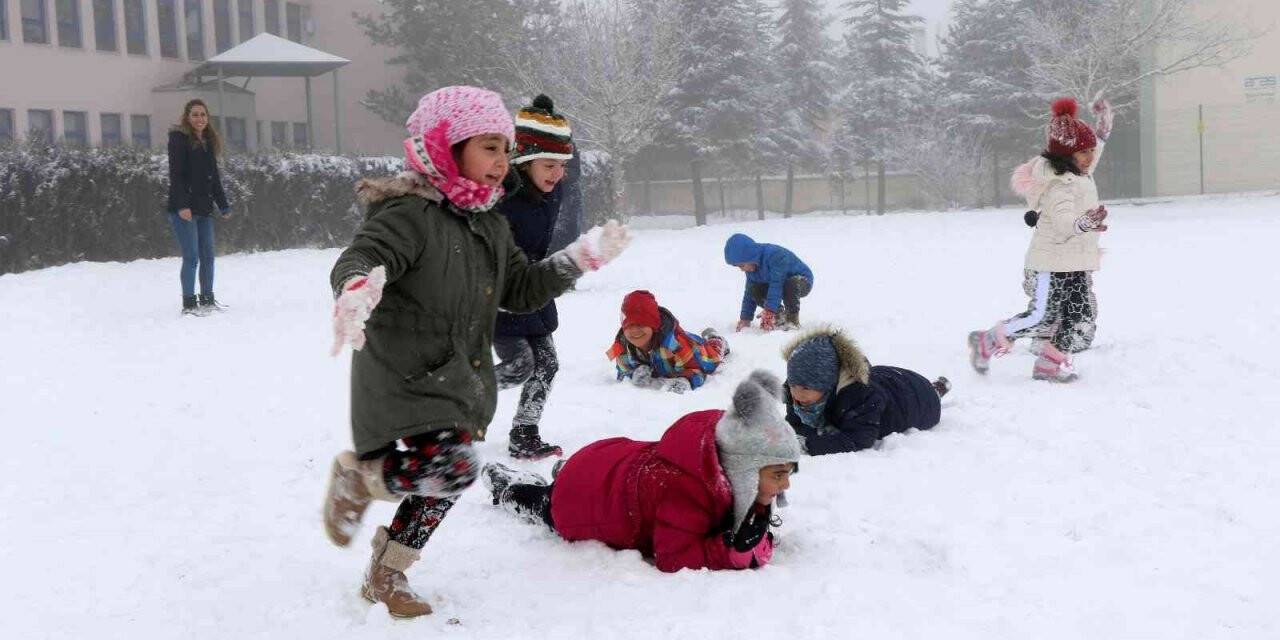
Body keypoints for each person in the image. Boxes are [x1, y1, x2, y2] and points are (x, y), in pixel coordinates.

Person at [320, 86, 631, 618]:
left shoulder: (489, 221)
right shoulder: (408, 214)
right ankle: (359, 480)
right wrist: (356, 287)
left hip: (457, 376)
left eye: (506, 149)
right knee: (455, 468)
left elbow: (520, 289)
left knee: (445, 480)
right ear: (447, 145)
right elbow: (364, 255)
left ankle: (386, 572)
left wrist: (579, 259)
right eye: (490, 146)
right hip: (405, 374)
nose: (502, 162)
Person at [481, 370, 801, 573]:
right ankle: (507, 487)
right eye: (778, 475)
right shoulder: (687, 490)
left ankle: (563, 473)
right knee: (546, 503)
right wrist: (725, 550)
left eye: (787, 472)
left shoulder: (725, 449)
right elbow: (672, 557)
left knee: (575, 478)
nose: (785, 483)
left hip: (608, 461)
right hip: (585, 501)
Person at [969, 97, 1113, 382]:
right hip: (1052, 263)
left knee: (1080, 316)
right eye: (1083, 152)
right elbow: (1062, 225)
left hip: (1076, 263)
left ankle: (1050, 362)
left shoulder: (1081, 173)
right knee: (1042, 317)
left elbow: (1094, 149)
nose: (1090, 156)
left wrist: (1103, 130)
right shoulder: (1058, 185)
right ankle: (986, 341)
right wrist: (1085, 222)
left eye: (1090, 151)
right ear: (1066, 155)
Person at [493, 95, 576, 460]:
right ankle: (456, 400)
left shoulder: (552, 191)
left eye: (561, 165)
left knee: (547, 362)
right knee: (517, 366)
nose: (556, 173)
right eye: (548, 164)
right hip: (501, 294)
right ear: (524, 161)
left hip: (535, 286)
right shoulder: (500, 194)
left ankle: (524, 432)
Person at [783, 326, 949, 455]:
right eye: (793, 385)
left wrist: (808, 444)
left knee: (930, 394)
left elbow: (858, 438)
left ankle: (937, 389)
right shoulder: (795, 393)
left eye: (806, 387)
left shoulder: (859, 397)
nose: (798, 394)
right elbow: (795, 424)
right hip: (887, 377)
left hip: (917, 398)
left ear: (829, 385)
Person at [167, 99, 231, 316]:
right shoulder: (179, 140)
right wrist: (182, 205)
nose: (199, 118)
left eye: (203, 114)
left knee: (208, 256)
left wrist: (223, 205)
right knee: (192, 257)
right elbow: (176, 176)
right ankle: (189, 302)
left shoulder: (208, 142)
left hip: (204, 209)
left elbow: (213, 178)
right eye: (195, 114)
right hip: (184, 210)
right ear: (187, 117)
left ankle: (207, 298)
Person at [606, 290, 728, 394]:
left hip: (695, 351)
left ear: (653, 325)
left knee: (713, 355)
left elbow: (697, 371)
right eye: (628, 326)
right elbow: (622, 372)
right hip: (676, 352)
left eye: (640, 324)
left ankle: (715, 338)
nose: (634, 331)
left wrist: (685, 380)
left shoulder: (675, 344)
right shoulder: (622, 345)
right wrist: (632, 375)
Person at [723, 233, 813, 331]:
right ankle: (779, 316)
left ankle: (792, 320)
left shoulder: (775, 255)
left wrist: (769, 311)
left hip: (801, 281)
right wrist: (745, 318)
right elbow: (749, 294)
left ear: (750, 257)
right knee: (755, 289)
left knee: (790, 285)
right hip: (778, 284)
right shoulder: (751, 268)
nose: (741, 270)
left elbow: (777, 284)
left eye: (742, 265)